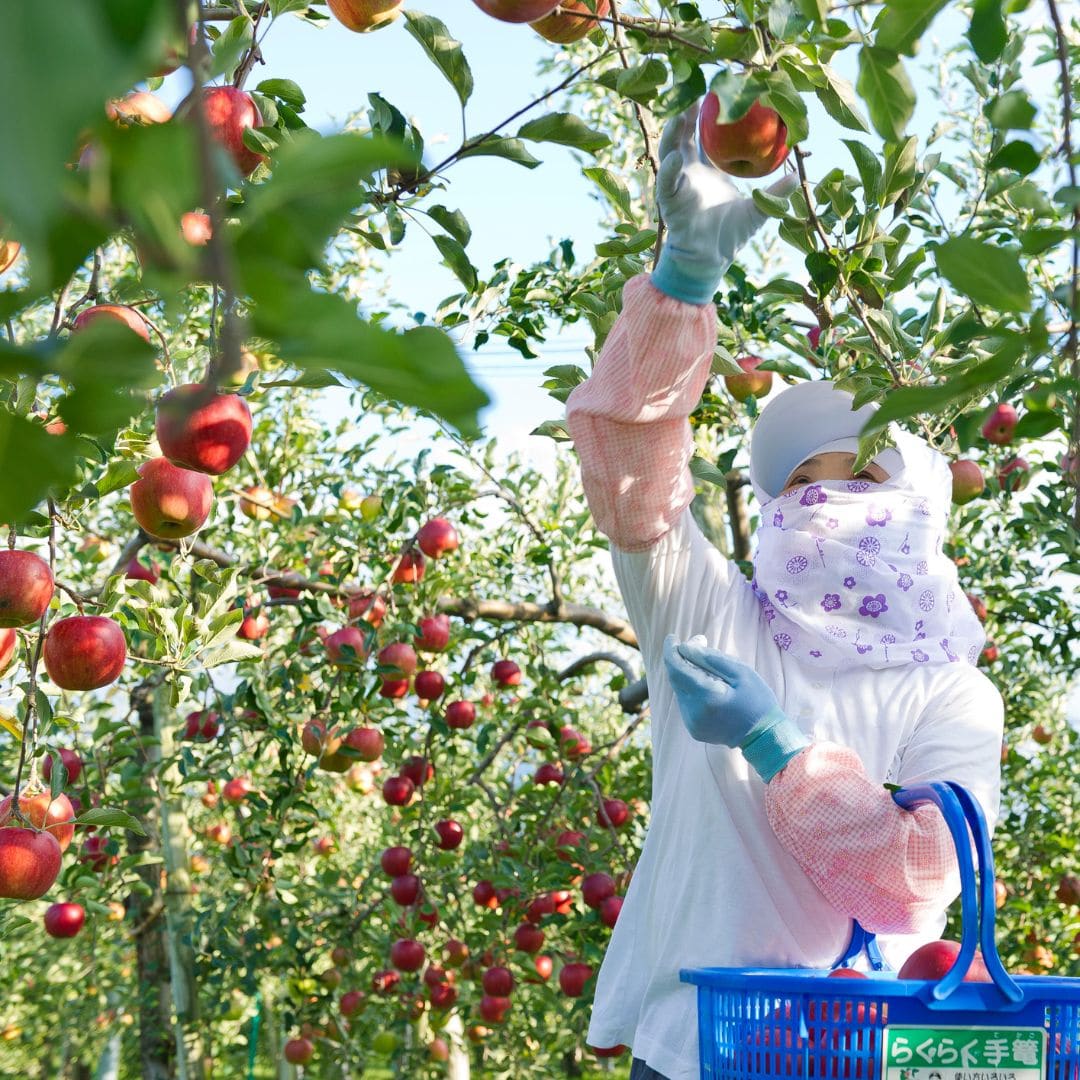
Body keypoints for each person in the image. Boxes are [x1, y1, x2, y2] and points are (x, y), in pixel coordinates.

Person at [564, 106, 1004, 1080]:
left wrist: (782, 750)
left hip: (854, 1053)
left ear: (921, 504)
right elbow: (631, 473)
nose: (829, 501)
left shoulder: (952, 693)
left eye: (861, 478)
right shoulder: (712, 617)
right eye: (805, 483)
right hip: (684, 1051)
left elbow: (922, 884)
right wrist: (680, 285)